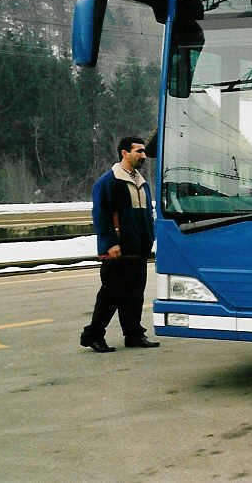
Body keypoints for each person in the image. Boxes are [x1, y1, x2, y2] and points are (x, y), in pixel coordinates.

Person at [80, 136, 160, 352]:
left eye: (143, 152)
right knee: (111, 295)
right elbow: (101, 215)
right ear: (124, 153)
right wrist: (110, 243)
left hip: (138, 250)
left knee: (135, 294)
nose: (143, 155)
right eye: (139, 151)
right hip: (117, 251)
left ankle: (133, 334)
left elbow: (147, 215)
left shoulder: (141, 182)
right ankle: (93, 335)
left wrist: (150, 238)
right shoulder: (108, 182)